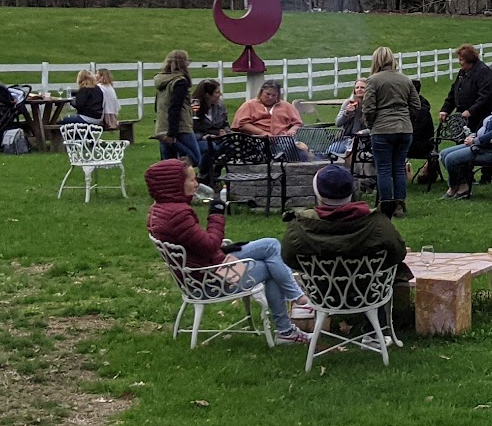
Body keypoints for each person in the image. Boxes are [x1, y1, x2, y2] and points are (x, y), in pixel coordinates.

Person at [144, 157, 310, 343]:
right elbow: (209, 245)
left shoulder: (158, 209)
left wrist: (223, 249)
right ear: (174, 184)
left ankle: (296, 300)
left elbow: (199, 246)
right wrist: (216, 214)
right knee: (272, 268)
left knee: (271, 245)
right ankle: (287, 329)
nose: (196, 184)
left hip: (203, 269)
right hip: (212, 280)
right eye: (191, 179)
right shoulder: (178, 214)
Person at [281, 164, 413, 330]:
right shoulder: (376, 223)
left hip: (323, 294)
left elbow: (288, 257)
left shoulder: (300, 226)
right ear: (351, 192)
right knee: (389, 271)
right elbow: (398, 252)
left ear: (317, 193)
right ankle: (374, 333)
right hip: (369, 293)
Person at [440, 82, 492, 200]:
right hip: (481, 145)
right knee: (443, 154)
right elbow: (486, 129)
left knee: (450, 159)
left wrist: (475, 141)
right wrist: (473, 136)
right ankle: (462, 185)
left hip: (489, 151)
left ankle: (454, 187)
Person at [361, 47, 417, 218]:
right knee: (399, 167)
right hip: (404, 128)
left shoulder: (373, 80)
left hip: (382, 129)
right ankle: (400, 205)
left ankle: (386, 205)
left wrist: (371, 125)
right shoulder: (405, 80)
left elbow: (368, 108)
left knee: (384, 169)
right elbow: (416, 105)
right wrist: (406, 119)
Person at [234, 80, 309, 159]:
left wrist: (292, 130)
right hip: (257, 140)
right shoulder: (249, 105)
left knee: (294, 147)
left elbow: (298, 123)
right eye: (267, 94)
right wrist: (262, 133)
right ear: (261, 92)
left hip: (283, 139)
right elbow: (242, 124)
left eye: (274, 95)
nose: (270, 97)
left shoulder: (286, 106)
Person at [153, 50, 202, 168]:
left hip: (161, 127)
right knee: (195, 158)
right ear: (183, 64)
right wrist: (172, 135)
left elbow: (157, 106)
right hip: (179, 127)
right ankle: (173, 142)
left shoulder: (162, 81)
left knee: (169, 166)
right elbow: (175, 108)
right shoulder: (180, 82)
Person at [441, 45, 492, 139]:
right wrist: (445, 110)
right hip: (463, 119)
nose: (459, 62)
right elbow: (453, 92)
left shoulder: (484, 72)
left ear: (469, 59)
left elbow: (486, 96)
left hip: (479, 119)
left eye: (461, 60)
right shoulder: (462, 73)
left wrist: (470, 111)